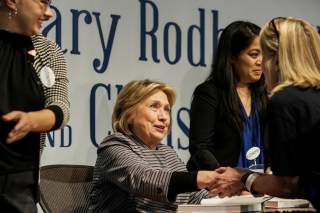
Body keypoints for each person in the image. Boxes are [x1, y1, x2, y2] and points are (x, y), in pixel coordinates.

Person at [89, 80, 243, 213]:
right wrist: (202, 177)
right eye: (154, 107)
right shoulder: (114, 146)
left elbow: (192, 196)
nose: (163, 117)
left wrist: (232, 197)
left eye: (167, 109)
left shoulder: (166, 153)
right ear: (129, 113)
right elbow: (143, 179)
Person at [220, 17, 320, 211]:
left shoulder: (285, 100)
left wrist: (244, 177)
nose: (261, 65)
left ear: (275, 58)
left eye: (262, 55)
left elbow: (288, 186)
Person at [0, 0, 69, 212]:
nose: (48, 13)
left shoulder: (47, 51)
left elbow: (61, 107)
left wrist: (31, 121)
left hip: (19, 183)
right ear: (11, 2)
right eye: (42, 2)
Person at [187, 21, 268, 171]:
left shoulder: (267, 94)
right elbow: (201, 148)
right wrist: (224, 178)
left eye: (263, 54)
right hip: (220, 187)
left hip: (262, 185)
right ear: (232, 57)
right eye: (254, 54)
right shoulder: (209, 93)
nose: (260, 61)